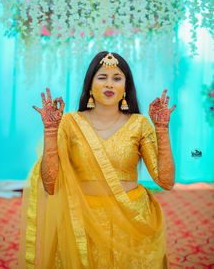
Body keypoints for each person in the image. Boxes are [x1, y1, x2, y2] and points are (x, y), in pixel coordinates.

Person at [18, 51, 176, 269]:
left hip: (130, 218)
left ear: (125, 87)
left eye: (117, 78)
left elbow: (165, 181)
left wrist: (161, 128)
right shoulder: (70, 123)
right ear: (90, 84)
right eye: (102, 77)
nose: (109, 84)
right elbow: (51, 185)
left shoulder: (139, 124)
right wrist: (50, 131)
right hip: (83, 220)